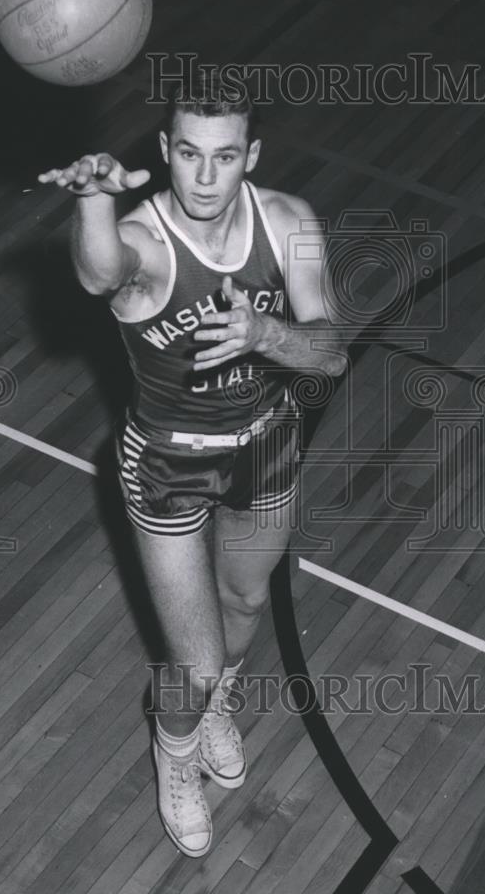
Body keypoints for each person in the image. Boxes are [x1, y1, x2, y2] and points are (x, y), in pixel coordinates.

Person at [37, 77, 347, 857]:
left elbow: (331, 350)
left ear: (251, 155)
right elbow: (99, 273)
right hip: (170, 465)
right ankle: (174, 754)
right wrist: (94, 202)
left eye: (226, 156)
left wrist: (264, 335)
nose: (206, 178)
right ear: (166, 151)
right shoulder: (142, 240)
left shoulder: (290, 225)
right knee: (196, 664)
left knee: (244, 604)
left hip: (266, 442)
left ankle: (212, 711)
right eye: (190, 155)